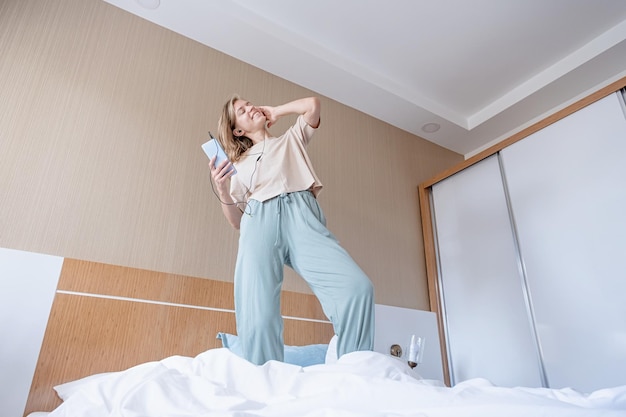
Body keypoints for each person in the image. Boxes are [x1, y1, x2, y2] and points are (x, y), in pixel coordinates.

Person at [209, 94, 374, 365]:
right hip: (259, 219)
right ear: (237, 130)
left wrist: (276, 111)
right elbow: (237, 221)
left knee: (357, 288)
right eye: (242, 110)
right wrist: (223, 189)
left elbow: (312, 105)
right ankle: (266, 383)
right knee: (258, 315)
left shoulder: (291, 140)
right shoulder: (237, 166)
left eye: (250, 103)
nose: (250, 107)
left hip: (302, 216)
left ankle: (353, 371)